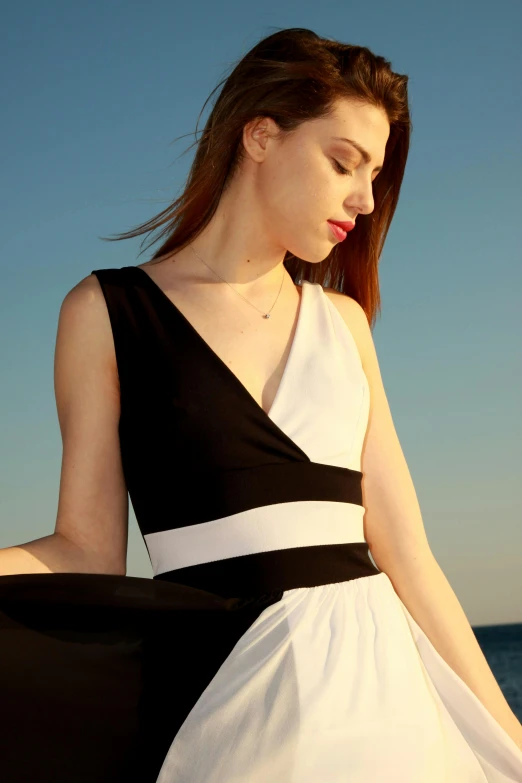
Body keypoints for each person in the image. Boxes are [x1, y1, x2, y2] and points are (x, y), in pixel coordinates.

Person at [0, 26, 521, 783]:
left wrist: (510, 734)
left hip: (389, 707)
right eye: (344, 162)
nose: (365, 200)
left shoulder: (344, 326)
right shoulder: (106, 312)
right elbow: (86, 550)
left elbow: (409, 559)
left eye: (375, 176)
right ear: (260, 136)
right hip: (235, 715)